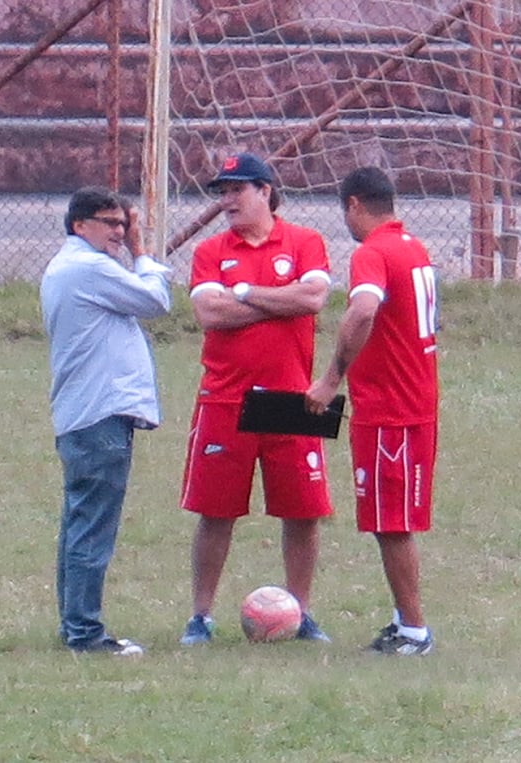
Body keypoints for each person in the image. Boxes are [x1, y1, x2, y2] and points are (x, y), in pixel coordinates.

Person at [179, 152, 334, 645]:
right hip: (225, 398)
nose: (226, 201)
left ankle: (301, 612)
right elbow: (209, 314)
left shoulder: (307, 241)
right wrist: (275, 299)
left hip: (295, 397)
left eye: (236, 190)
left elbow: (311, 300)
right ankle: (200, 616)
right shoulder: (209, 251)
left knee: (303, 511)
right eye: (221, 192)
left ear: (265, 191)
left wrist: (243, 291)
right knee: (216, 511)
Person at [306, 166, 438, 656]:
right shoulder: (413, 247)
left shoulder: (373, 253)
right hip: (412, 400)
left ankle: (415, 631)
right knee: (390, 518)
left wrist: (330, 377)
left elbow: (362, 310)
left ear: (354, 205)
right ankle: (404, 620)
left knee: (391, 522)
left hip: (392, 409)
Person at [40, 186, 172, 655]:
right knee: (93, 527)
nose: (119, 232)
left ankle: (73, 623)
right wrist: (144, 251)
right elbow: (156, 301)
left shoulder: (71, 266)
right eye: (109, 223)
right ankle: (85, 633)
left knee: (80, 522)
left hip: (82, 414)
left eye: (122, 223)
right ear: (79, 225)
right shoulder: (88, 268)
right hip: (99, 416)